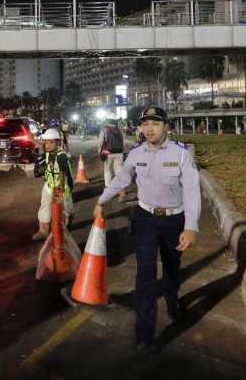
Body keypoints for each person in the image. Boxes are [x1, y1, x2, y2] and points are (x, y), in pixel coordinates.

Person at [93, 106, 201, 353]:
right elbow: (122, 179)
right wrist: (101, 201)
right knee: (145, 274)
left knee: (172, 266)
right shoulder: (136, 153)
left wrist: (191, 227)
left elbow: (192, 191)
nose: (149, 128)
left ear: (166, 127)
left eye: (155, 123)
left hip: (174, 219)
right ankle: (144, 334)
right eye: (145, 124)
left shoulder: (181, 154)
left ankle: (173, 298)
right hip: (145, 218)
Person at [32, 128, 74, 241]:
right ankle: (43, 230)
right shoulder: (49, 151)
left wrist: (58, 193)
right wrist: (32, 139)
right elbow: (42, 146)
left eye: (51, 142)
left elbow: (63, 175)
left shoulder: (62, 156)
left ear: (58, 143)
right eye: (46, 142)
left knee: (65, 209)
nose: (48, 145)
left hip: (62, 187)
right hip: (49, 184)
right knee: (45, 206)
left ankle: (66, 228)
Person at [98, 118, 126, 202]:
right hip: (119, 153)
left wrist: (100, 152)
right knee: (119, 173)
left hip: (108, 153)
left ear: (107, 121)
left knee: (108, 172)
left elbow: (100, 143)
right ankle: (122, 192)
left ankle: (108, 192)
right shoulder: (119, 129)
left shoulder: (104, 130)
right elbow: (122, 141)